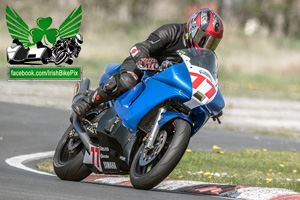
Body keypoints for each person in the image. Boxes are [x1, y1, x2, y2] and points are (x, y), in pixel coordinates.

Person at [72, 8, 224, 117]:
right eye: (203, 38)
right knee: (127, 81)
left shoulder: (203, 57)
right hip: (143, 68)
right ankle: (87, 103)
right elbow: (141, 46)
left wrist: (212, 101)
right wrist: (145, 60)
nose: (206, 45)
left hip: (165, 84)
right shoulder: (171, 31)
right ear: (192, 29)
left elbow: (206, 78)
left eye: (212, 43)